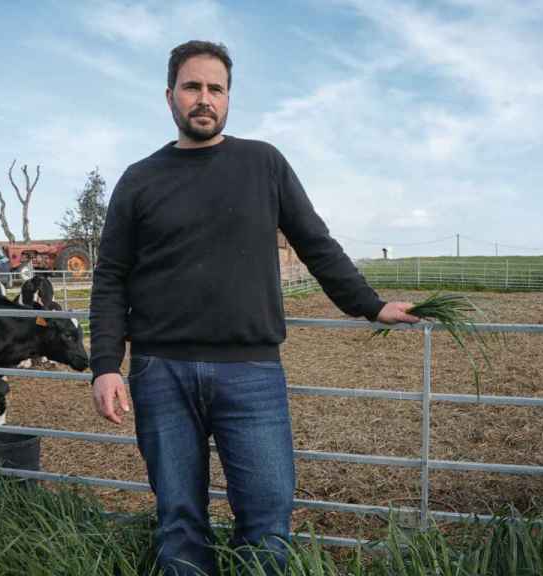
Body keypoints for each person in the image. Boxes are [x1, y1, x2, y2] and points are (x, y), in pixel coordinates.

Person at [89, 40, 419, 576]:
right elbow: (110, 278)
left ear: (228, 98)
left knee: (267, 518)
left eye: (215, 89)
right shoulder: (139, 179)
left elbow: (315, 242)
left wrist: (370, 305)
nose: (204, 99)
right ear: (169, 95)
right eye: (192, 87)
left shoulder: (263, 163)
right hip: (159, 372)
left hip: (252, 372)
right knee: (178, 519)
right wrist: (105, 364)